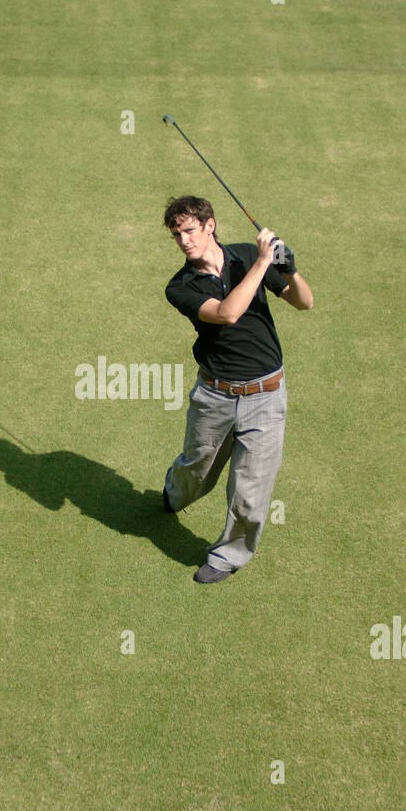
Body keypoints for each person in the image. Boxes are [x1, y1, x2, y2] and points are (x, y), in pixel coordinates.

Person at [161, 196, 313, 583]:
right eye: (177, 234)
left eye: (189, 230)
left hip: (266, 394)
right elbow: (227, 313)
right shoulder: (180, 286)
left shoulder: (245, 254)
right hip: (215, 396)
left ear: (209, 225)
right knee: (197, 468)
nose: (183, 240)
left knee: (251, 489)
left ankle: (228, 555)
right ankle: (175, 493)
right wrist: (264, 263)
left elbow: (304, 303)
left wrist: (291, 272)